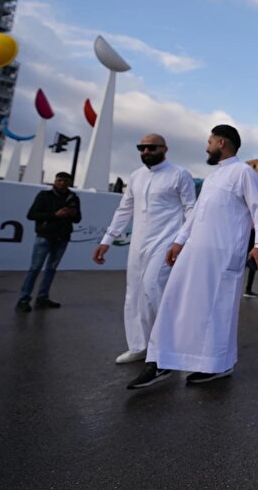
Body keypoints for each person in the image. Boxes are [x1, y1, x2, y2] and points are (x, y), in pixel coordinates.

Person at [127, 124, 258, 389]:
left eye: (209, 142)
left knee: (218, 310)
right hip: (194, 252)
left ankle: (219, 365)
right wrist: (179, 241)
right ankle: (162, 361)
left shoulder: (244, 172)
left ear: (222, 143)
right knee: (174, 301)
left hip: (224, 255)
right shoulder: (213, 176)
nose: (206, 147)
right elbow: (195, 214)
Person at [92, 133, 196, 364]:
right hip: (138, 244)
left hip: (165, 243)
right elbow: (124, 210)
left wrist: (182, 241)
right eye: (142, 148)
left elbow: (191, 209)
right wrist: (107, 240)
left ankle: (168, 346)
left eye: (151, 147)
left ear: (165, 149)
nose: (146, 152)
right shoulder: (136, 176)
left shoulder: (180, 174)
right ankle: (139, 346)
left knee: (153, 291)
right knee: (134, 295)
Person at [15, 172, 81, 312]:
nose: (62, 183)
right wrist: (54, 215)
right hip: (44, 236)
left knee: (51, 269)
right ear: (55, 181)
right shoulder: (44, 195)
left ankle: (42, 298)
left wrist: (72, 214)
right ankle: (24, 299)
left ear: (70, 182)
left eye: (65, 181)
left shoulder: (73, 198)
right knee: (35, 268)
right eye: (59, 180)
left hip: (62, 238)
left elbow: (78, 219)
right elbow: (31, 215)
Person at [242, 228, 258, 298]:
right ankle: (247, 290)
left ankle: (248, 290)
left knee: (252, 267)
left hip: (252, 240)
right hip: (248, 239)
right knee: (242, 268)